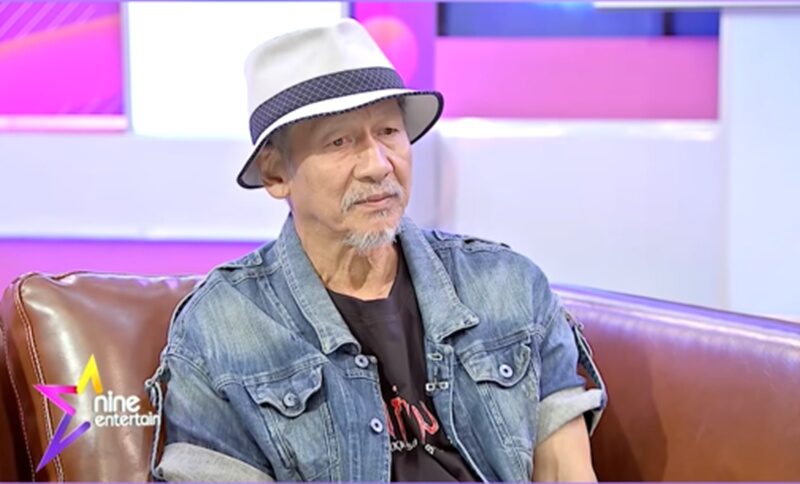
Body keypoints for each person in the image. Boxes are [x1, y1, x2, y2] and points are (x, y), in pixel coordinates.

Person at [146, 18, 606, 482]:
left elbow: (565, 472)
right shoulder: (222, 328)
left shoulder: (508, 285)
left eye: (388, 131)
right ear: (275, 174)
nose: (378, 165)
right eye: (339, 142)